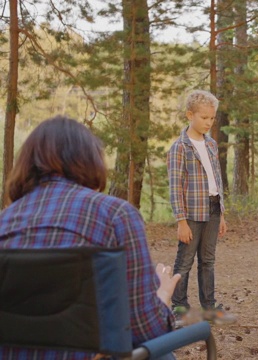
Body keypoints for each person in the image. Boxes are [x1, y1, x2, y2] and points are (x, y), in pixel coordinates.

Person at [0, 116, 181, 358]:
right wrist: (163, 295)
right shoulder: (116, 215)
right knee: (162, 355)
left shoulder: (4, 221)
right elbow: (148, 331)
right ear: (90, 160)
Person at [167, 89, 235, 325]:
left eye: (212, 118)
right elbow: (175, 187)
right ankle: (179, 306)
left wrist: (222, 214)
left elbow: (216, 180)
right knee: (184, 261)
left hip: (213, 208)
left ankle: (209, 305)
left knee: (208, 260)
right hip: (192, 212)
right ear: (190, 115)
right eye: (204, 117)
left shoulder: (212, 145)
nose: (208, 122)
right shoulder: (180, 148)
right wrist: (181, 221)